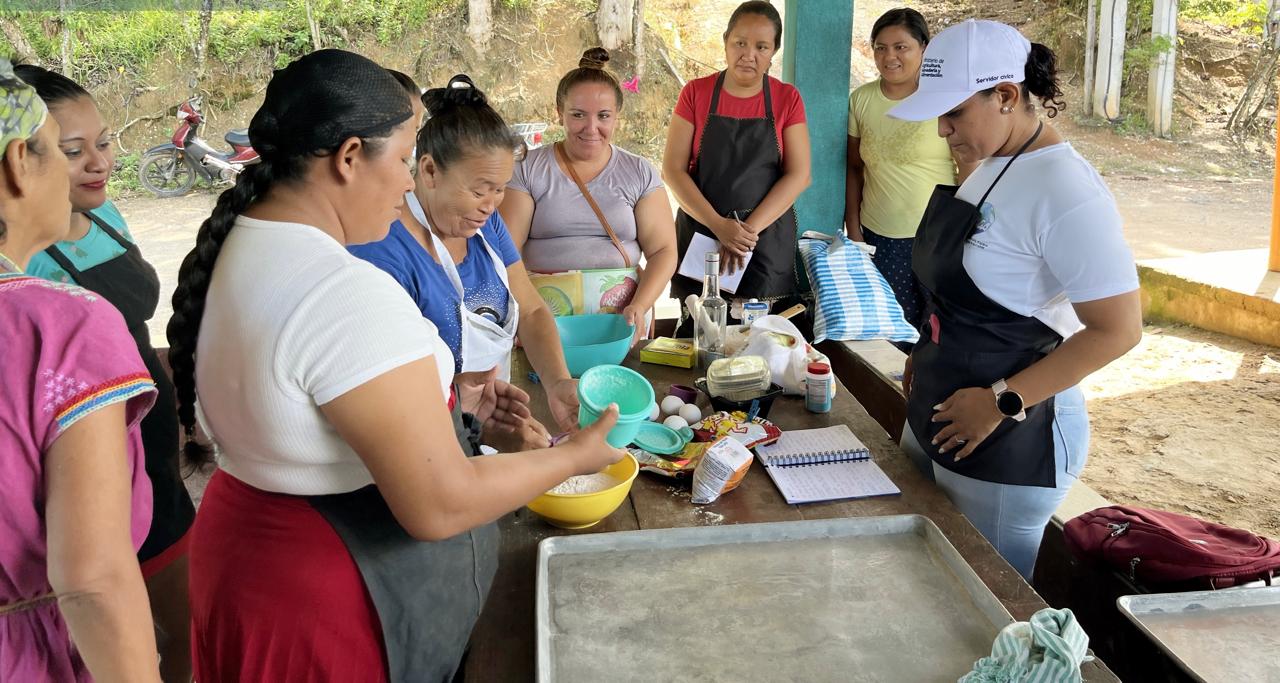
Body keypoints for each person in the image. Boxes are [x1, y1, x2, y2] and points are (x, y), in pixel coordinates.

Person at [168, 49, 624, 681]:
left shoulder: (246, 244)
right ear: (350, 157)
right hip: (324, 604)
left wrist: (457, 415)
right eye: (406, 159)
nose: (409, 183)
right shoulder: (343, 289)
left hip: (250, 567)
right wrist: (574, 457)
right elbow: (438, 504)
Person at [889, 20, 1142, 579]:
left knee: (986, 600)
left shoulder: (1066, 191)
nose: (942, 129)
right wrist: (927, 350)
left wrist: (1001, 401)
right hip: (939, 411)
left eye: (954, 113)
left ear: (1005, 95)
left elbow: (1119, 329)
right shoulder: (993, 163)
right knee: (919, 581)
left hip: (1008, 440)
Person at [16, 63, 195, 681]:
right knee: (119, 633)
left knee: (186, 629)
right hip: (95, 483)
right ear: (21, 160)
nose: (98, 163)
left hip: (156, 460)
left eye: (104, 141)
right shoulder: (29, 279)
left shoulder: (105, 215)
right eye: (71, 151)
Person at [351, 74, 579, 441]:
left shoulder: (485, 225)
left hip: (486, 425)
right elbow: (386, 399)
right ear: (429, 171)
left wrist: (557, 384)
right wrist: (475, 425)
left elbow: (531, 310)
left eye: (500, 190)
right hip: (426, 439)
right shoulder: (383, 252)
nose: (490, 205)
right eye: (478, 191)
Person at [499, 47, 677, 342]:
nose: (591, 128)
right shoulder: (528, 168)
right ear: (560, 113)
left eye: (603, 116)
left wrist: (640, 305)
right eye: (578, 115)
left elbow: (663, 251)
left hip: (621, 319)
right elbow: (506, 251)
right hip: (544, 316)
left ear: (617, 116)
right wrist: (525, 311)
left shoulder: (639, 171)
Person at [662, 0, 811, 333]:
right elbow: (672, 170)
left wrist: (744, 234)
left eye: (761, 47)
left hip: (763, 241)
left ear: (774, 51)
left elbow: (799, 174)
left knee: (762, 340)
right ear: (726, 41)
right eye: (740, 43)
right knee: (703, 334)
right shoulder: (695, 93)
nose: (749, 54)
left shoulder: (787, 98)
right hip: (704, 233)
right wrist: (719, 226)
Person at [844, 9, 974, 343]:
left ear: (924, 48)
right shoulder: (861, 100)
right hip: (880, 239)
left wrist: (964, 233)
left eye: (901, 47)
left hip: (936, 238)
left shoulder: (944, 101)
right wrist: (854, 230)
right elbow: (854, 168)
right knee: (892, 336)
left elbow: (968, 167)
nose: (890, 57)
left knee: (939, 334)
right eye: (881, 47)